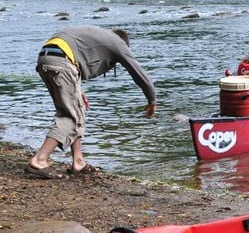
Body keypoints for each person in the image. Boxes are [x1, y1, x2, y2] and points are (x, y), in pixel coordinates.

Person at [27, 26, 157, 180]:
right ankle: (39, 160)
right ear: (124, 43)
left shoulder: (99, 35)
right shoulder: (118, 44)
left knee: (77, 110)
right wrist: (152, 99)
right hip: (62, 62)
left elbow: (75, 53)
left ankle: (78, 161)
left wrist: (77, 90)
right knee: (70, 117)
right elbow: (138, 72)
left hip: (46, 57)